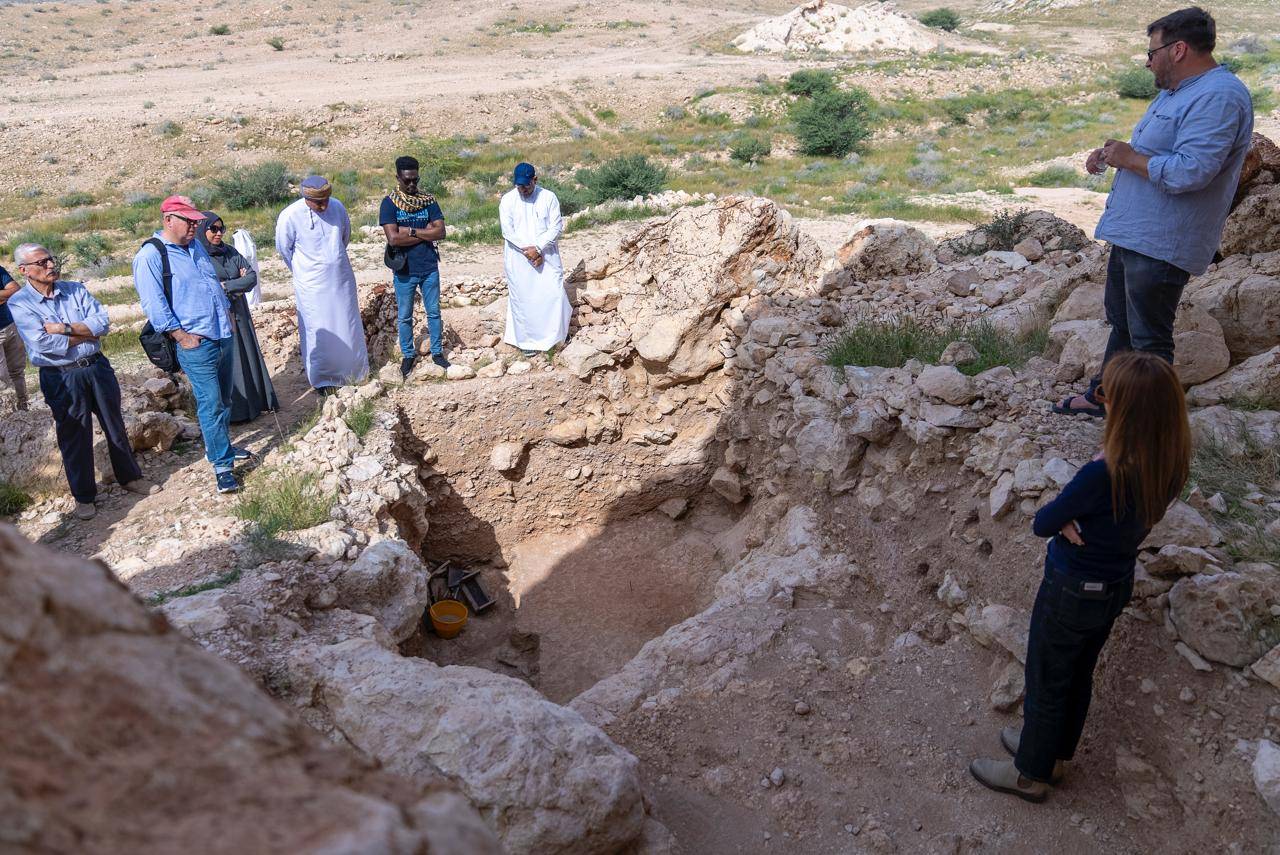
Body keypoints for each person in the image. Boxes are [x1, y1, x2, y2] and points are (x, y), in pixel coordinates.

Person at [971, 351, 1192, 802]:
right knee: (1077, 674)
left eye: (1106, 394)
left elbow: (1043, 522)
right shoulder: (1168, 463)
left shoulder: (1102, 473)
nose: (1100, 399)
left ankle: (1029, 774)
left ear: (1124, 410)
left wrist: (1068, 518)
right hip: (1114, 584)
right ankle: (1051, 754)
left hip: (1071, 588)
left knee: (1047, 676)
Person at [1054, 6, 1253, 418]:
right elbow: (1158, 154)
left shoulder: (1219, 96)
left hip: (1164, 240)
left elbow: (1192, 171)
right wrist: (1115, 153)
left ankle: (1146, 434)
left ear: (1178, 50)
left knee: (1149, 342)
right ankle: (1106, 398)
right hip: (1138, 232)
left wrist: (1130, 159)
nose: (1148, 62)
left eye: (1152, 52)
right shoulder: (1178, 92)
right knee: (1125, 324)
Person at [8, 243, 158, 519]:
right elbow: (43, 344)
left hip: (96, 366)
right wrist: (85, 333)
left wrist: (63, 329)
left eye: (50, 259)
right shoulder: (20, 303)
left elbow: (102, 323)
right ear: (24, 270)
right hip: (60, 376)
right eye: (41, 262)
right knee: (74, 434)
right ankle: (84, 496)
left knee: (115, 424)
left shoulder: (74, 289)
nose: (50, 265)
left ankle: (130, 477)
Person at [134, 195, 248, 495]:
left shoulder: (195, 246)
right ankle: (222, 467)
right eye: (189, 221)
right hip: (196, 344)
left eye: (196, 221)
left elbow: (210, 285)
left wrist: (227, 314)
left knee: (224, 400)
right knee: (210, 404)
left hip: (221, 334)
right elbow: (154, 304)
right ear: (168, 219)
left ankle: (220, 447)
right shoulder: (151, 255)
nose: (195, 226)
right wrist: (182, 337)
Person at [275, 175, 369, 394]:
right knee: (318, 327)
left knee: (347, 323)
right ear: (306, 198)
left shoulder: (337, 207)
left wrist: (332, 260)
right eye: (318, 202)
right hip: (311, 284)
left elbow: (345, 236)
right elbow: (284, 249)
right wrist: (305, 270)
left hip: (340, 278)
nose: (324, 205)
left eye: (326, 200)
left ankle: (354, 373)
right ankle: (323, 380)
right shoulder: (290, 215)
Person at [196, 211, 279, 423]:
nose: (218, 233)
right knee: (231, 361)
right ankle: (238, 413)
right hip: (220, 316)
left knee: (248, 354)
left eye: (221, 229)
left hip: (240, 312)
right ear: (202, 230)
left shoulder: (230, 251)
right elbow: (207, 287)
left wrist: (226, 286)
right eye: (213, 229)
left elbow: (251, 277)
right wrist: (235, 285)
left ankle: (258, 403)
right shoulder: (198, 257)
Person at [380, 155, 449, 376]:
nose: (411, 184)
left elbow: (441, 232)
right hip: (404, 269)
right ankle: (408, 355)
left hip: (429, 266)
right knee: (405, 316)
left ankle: (437, 353)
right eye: (407, 180)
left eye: (415, 180)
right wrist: (426, 233)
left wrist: (409, 231)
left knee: (434, 313)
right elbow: (394, 239)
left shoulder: (428, 201)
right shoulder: (389, 203)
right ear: (397, 177)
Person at [499, 162, 569, 357]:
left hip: (546, 255)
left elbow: (556, 227)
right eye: (519, 186)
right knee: (524, 299)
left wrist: (538, 249)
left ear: (535, 180)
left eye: (526, 185)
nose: (522, 189)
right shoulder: (508, 200)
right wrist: (529, 251)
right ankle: (527, 342)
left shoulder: (548, 197)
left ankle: (556, 338)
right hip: (519, 258)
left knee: (553, 294)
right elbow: (508, 231)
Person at [0, 264, 29, 410]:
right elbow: (8, 292)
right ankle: (7, 413)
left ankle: (23, 408)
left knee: (17, 371)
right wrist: (3, 295)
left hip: (10, 326)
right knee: (1, 377)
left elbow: (15, 290)